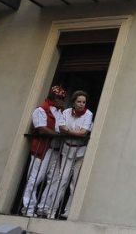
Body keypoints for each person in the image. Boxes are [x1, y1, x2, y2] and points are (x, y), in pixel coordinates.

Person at [42, 90, 93, 219]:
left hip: (80, 152)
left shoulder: (88, 114)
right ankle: (52, 211)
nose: (81, 104)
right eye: (79, 101)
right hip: (67, 150)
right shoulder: (66, 112)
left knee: (74, 183)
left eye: (83, 102)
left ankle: (68, 211)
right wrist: (74, 132)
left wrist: (69, 131)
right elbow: (60, 127)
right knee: (61, 180)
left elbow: (83, 132)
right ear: (74, 102)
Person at [21, 85, 66, 218]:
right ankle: (28, 208)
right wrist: (59, 135)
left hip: (56, 150)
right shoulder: (41, 109)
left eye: (63, 98)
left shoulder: (63, 111)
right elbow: (41, 128)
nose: (62, 101)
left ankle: (43, 207)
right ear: (53, 97)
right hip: (43, 148)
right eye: (59, 98)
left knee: (54, 179)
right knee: (35, 178)